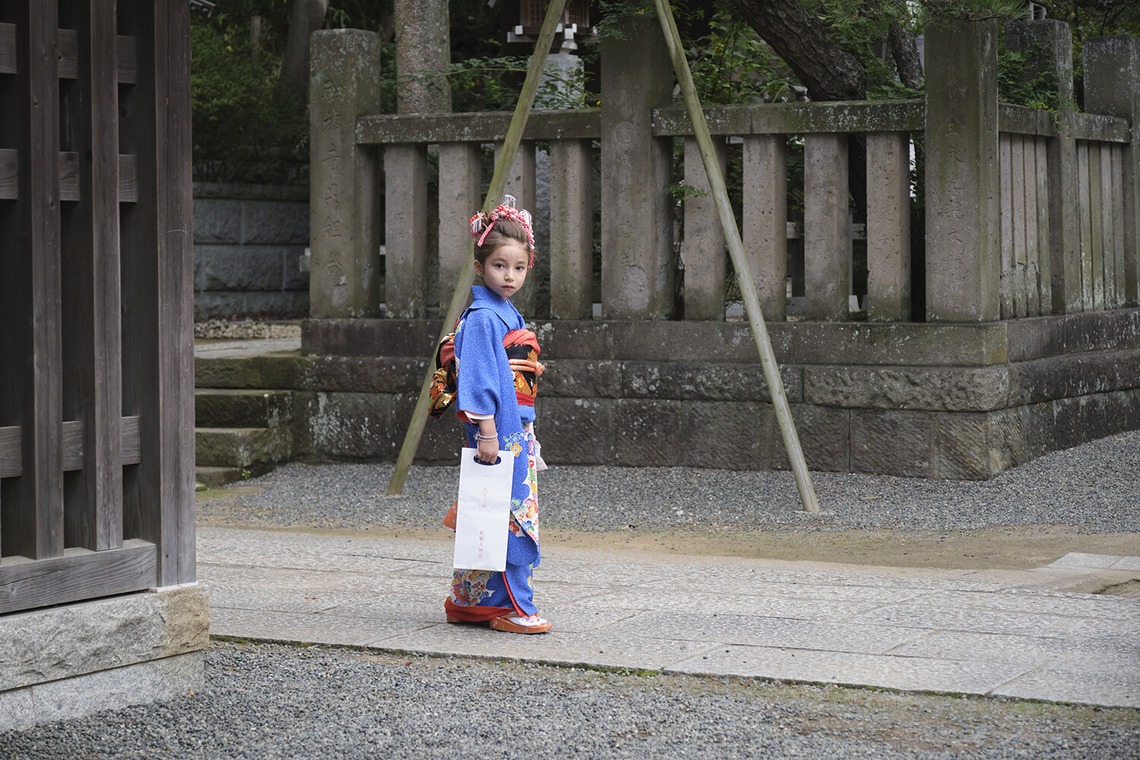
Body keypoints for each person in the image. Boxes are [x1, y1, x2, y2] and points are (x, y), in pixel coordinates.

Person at [443, 196, 551, 635]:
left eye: (519, 267)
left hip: (511, 427)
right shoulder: (486, 317)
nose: (509, 276)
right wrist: (488, 433)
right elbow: (482, 378)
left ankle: (470, 601)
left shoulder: (502, 312)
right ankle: (511, 607)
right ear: (479, 265)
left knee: (485, 512)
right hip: (498, 432)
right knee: (510, 519)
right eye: (499, 266)